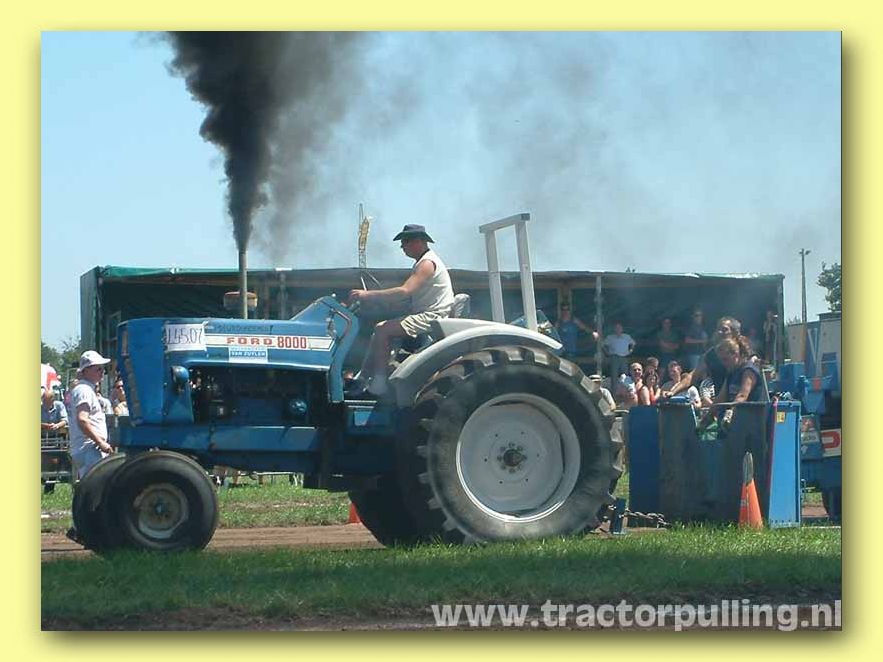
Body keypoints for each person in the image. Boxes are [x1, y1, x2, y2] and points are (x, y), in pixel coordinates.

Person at [348, 224, 455, 396]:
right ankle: (363, 377)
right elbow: (408, 298)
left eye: (405, 241)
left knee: (382, 329)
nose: (402, 246)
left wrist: (367, 295)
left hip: (433, 316)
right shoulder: (422, 262)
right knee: (379, 331)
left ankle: (379, 384)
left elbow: (405, 291)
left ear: (418, 241)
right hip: (425, 313)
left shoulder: (427, 264)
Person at [663, 316, 745, 400]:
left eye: (724, 329)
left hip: (742, 404)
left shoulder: (745, 352)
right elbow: (693, 376)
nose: (720, 332)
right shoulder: (711, 354)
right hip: (721, 403)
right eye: (718, 329)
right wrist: (673, 392)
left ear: (735, 333)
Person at [69, 350, 115, 479]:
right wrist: (100, 442)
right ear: (86, 370)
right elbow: (82, 419)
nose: (102, 372)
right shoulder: (84, 390)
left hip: (88, 449)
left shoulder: (84, 389)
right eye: (98, 369)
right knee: (97, 487)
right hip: (90, 449)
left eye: (102, 368)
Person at [701, 337, 764, 430]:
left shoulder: (749, 371)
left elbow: (742, 395)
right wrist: (707, 418)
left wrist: (730, 413)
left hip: (749, 423)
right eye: (721, 360)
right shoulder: (731, 374)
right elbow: (720, 399)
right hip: (732, 425)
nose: (724, 363)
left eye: (725, 359)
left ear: (736, 354)